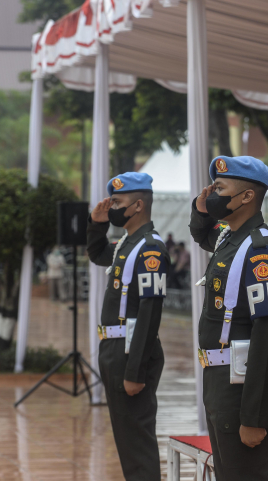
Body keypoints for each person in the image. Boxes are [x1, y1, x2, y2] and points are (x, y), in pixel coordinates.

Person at [190, 155, 268, 481]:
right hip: (222, 380)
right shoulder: (230, 237)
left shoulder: (261, 250)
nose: (212, 192)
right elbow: (204, 235)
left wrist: (254, 416)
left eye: (220, 188)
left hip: (244, 386)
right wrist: (202, 210)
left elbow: (267, 334)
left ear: (247, 196)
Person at [87, 171, 170, 480]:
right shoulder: (127, 243)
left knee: (137, 440)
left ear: (137, 206)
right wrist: (97, 224)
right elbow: (98, 254)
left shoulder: (149, 248)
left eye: (117, 202)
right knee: (126, 438)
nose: (113, 208)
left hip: (130, 351)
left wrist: (135, 371)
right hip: (115, 348)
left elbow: (150, 312)